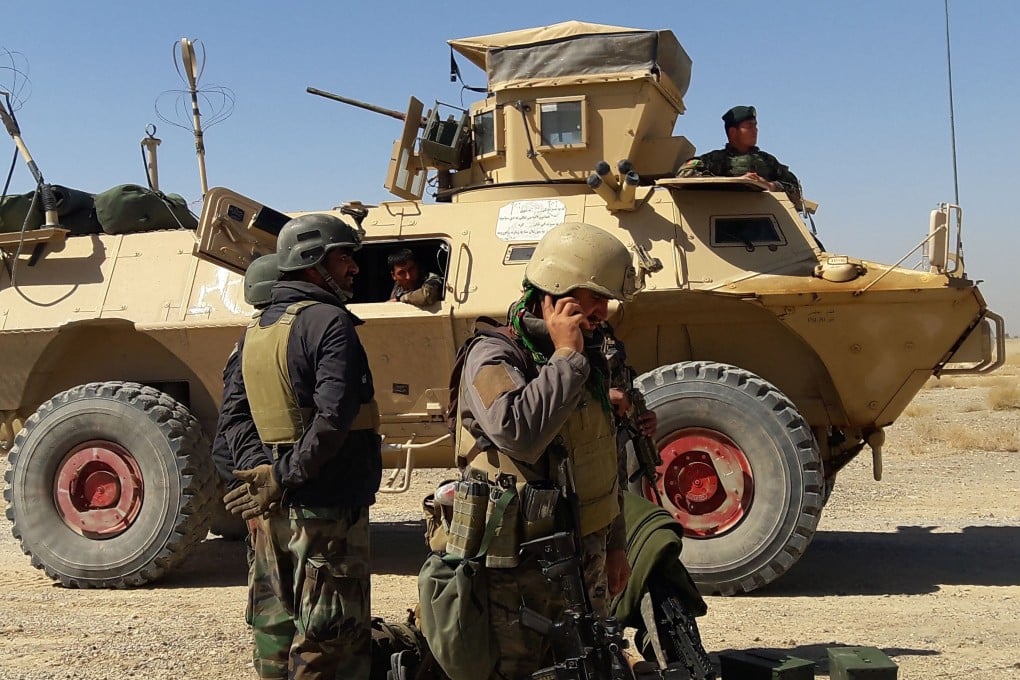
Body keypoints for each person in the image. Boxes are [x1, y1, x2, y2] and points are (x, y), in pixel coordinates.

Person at [453, 221, 636, 679]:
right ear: (561, 290)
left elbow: (602, 457)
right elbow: (518, 431)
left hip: (584, 557)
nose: (605, 312)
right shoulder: (493, 355)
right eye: (597, 298)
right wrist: (567, 357)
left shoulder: (584, 359)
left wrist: (615, 547)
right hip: (520, 567)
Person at [222, 213, 382, 680]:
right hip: (325, 508)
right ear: (313, 261)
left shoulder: (255, 331)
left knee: (275, 632)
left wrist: (264, 477)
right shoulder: (329, 323)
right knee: (332, 642)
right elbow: (334, 417)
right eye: (343, 256)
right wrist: (281, 476)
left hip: (274, 509)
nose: (353, 267)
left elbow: (234, 416)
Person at [678, 105, 802, 207]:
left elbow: (795, 188)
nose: (755, 130)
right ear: (733, 132)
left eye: (756, 125)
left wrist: (770, 185)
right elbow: (683, 174)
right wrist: (735, 182)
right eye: (749, 126)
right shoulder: (716, 159)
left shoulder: (768, 161)